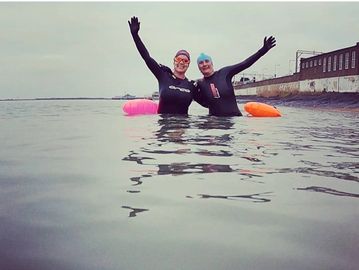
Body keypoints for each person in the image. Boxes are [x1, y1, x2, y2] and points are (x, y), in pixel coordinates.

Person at [128, 16, 206, 114]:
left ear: (188, 64)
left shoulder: (191, 86)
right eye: (179, 59)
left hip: (183, 127)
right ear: (174, 61)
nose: (181, 62)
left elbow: (207, 104)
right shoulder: (163, 75)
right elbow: (146, 57)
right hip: (164, 127)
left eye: (185, 61)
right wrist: (135, 35)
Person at [196, 36, 276, 116]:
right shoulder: (199, 84)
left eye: (207, 61)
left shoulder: (224, 73)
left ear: (212, 63)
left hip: (234, 121)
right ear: (198, 67)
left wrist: (262, 51)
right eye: (201, 63)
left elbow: (245, 64)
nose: (204, 64)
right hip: (214, 125)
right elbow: (203, 103)